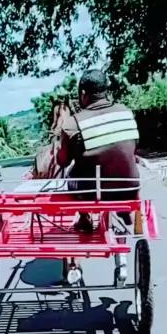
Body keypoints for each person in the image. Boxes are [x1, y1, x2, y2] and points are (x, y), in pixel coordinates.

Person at [57, 69, 140, 233]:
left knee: (69, 173)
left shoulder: (73, 124)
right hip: (130, 187)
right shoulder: (126, 112)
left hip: (93, 193)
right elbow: (133, 145)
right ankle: (124, 210)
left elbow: (63, 161)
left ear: (83, 94)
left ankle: (84, 217)